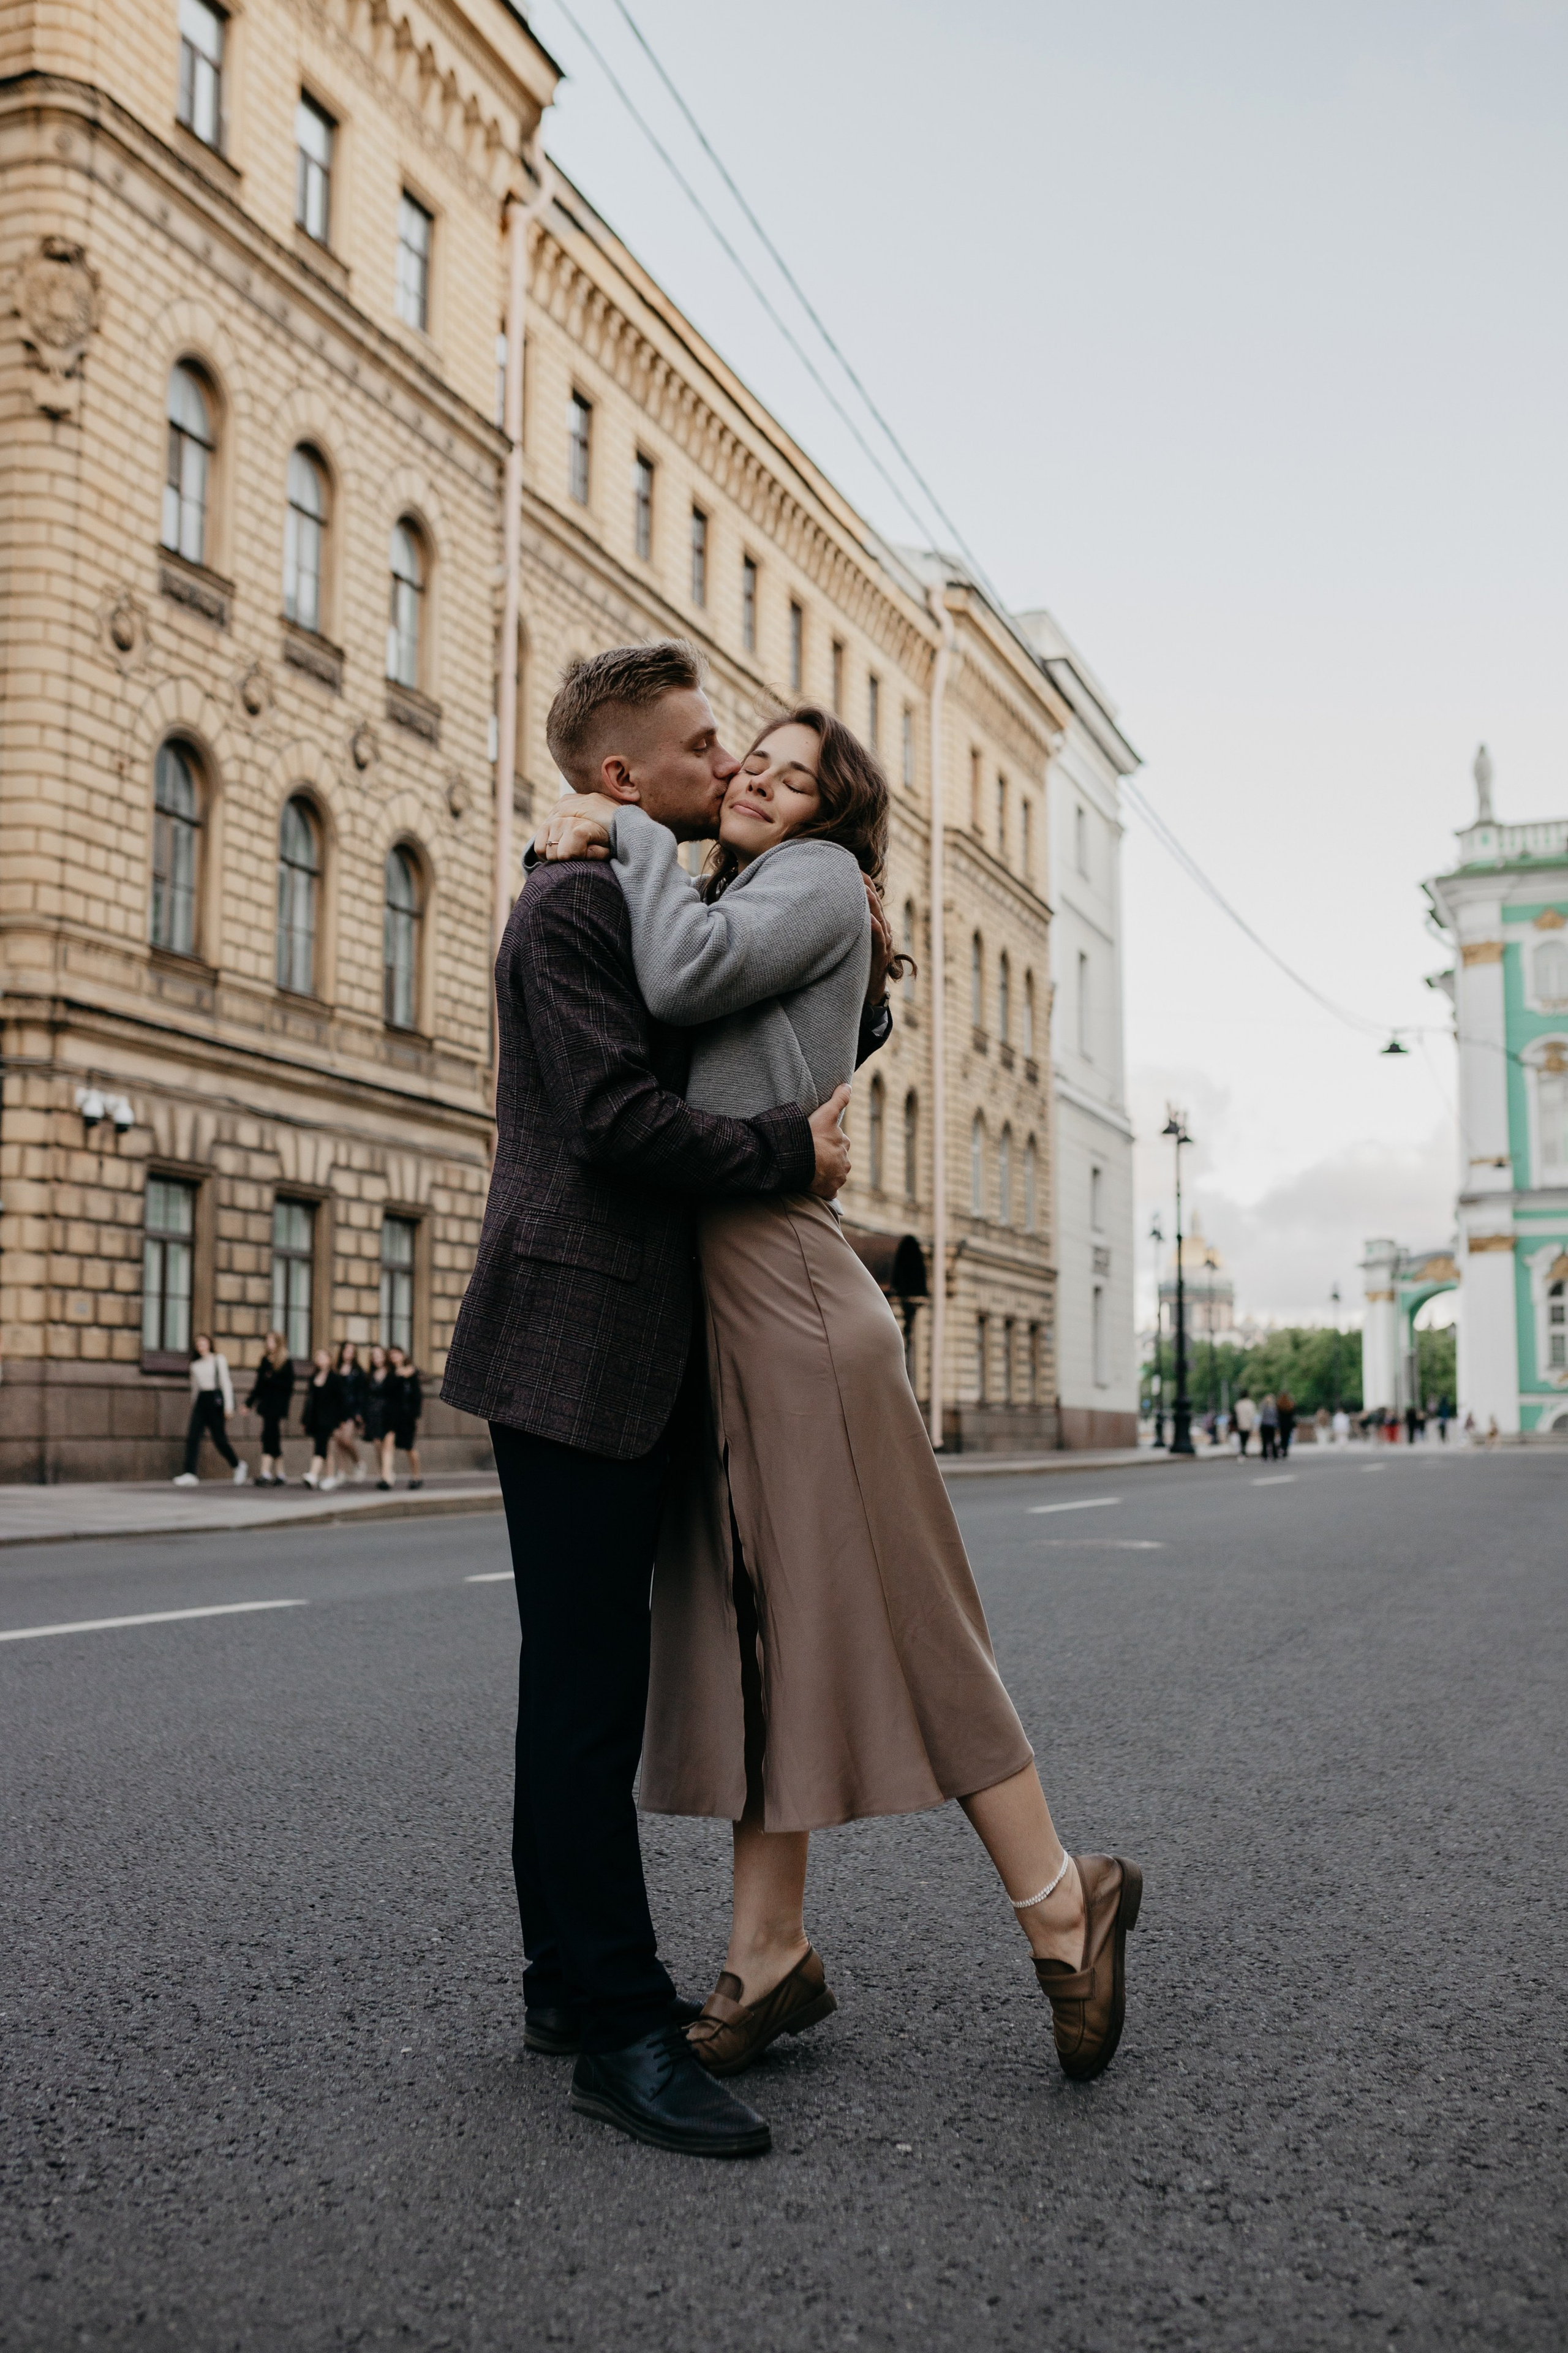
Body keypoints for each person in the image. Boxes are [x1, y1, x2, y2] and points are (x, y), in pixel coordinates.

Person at [541, 698, 1140, 2100]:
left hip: (795, 1303)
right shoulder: (774, 888)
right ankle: (767, 1951)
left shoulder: (807, 881)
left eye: (789, 773)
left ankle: (1066, 1902)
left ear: (832, 811)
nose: (753, 777)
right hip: (736, 1303)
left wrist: (620, 828)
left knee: (912, 1622)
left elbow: (684, 984)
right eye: (747, 760)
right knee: (764, 1634)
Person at [441, 641, 891, 2163]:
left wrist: (859, 971)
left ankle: (566, 1987)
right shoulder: (571, 909)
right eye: (702, 747)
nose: (727, 767)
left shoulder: (643, 892)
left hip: (621, 1343)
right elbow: (623, 1121)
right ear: (623, 776)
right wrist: (791, 1159)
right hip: (573, 1338)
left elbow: (730, 1024)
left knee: (566, 1686)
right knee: (584, 1699)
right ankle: (624, 2030)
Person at [173, 1333, 246, 1486]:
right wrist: (194, 1406)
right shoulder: (195, 1365)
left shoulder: (219, 1360)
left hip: (215, 1400)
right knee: (193, 1437)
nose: (201, 1346)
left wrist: (228, 1407)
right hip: (201, 1401)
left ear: (209, 1343)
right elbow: (195, 1388)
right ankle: (190, 1473)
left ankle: (238, 1465)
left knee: (220, 1439)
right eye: (198, 1344)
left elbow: (226, 1383)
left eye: (203, 1343)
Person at [246, 1331, 295, 1486]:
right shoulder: (265, 1361)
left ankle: (265, 1473)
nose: (269, 1344)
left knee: (269, 1436)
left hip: (278, 1405)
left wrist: (272, 1379)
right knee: (272, 1438)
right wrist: (249, 1403)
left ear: (278, 1343)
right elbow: (259, 1386)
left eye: (272, 1341)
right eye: (267, 1341)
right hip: (266, 1405)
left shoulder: (285, 1362)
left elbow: (288, 1386)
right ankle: (280, 1474)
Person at [300, 1347, 345, 1490]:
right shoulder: (314, 1376)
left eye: (322, 1357)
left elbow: (341, 1400)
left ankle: (313, 1475)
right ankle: (330, 1476)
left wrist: (340, 1420)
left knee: (320, 1446)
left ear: (329, 1359)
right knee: (325, 1448)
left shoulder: (335, 1378)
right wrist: (305, 1419)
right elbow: (310, 1400)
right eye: (317, 1357)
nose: (319, 1359)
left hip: (329, 1418)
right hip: (316, 1418)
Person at [385, 1345, 424, 1488]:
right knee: (388, 1444)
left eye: (397, 1354)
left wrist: (414, 1413)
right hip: (392, 1416)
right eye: (392, 1354)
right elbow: (388, 1390)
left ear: (403, 1355)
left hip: (407, 1417)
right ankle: (387, 1477)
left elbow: (417, 1395)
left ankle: (416, 1476)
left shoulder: (412, 1373)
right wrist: (400, 1376)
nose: (394, 1357)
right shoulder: (391, 1374)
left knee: (409, 1447)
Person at [331, 1339, 368, 1484]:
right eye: (347, 1351)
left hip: (351, 1412)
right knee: (338, 1443)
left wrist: (360, 1412)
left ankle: (359, 1462)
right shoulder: (336, 1369)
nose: (349, 1354)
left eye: (352, 1352)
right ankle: (341, 1472)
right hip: (336, 1411)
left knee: (346, 1440)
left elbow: (361, 1393)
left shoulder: (358, 1372)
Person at [363, 1343, 396, 1489]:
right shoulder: (369, 1376)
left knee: (388, 1445)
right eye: (374, 1356)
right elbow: (365, 1397)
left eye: (379, 1356)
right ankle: (385, 1472)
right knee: (378, 1445)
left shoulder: (392, 1373)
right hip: (373, 1414)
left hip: (389, 1413)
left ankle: (386, 1477)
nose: (377, 1359)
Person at [1257, 1392, 1280, 1460]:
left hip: (1265, 1425)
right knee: (1272, 1441)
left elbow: (1262, 1416)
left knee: (1264, 1441)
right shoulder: (1274, 1408)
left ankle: (1265, 1455)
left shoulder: (1264, 1407)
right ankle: (1274, 1455)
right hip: (1271, 1426)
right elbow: (1276, 1417)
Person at [1234, 1392, 1255, 1457]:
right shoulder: (1250, 1404)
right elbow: (1252, 1415)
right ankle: (1244, 1450)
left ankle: (1242, 1450)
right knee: (1246, 1438)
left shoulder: (1238, 1404)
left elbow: (1236, 1414)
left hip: (1240, 1424)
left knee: (1241, 1438)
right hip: (1248, 1424)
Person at [1276, 1389, 1296, 1457]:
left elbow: (1277, 1415)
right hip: (1288, 1423)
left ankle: (1282, 1448)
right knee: (1287, 1437)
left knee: (1282, 1436)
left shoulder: (1279, 1404)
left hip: (1282, 1423)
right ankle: (1285, 1450)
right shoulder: (1290, 1404)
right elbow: (1293, 1414)